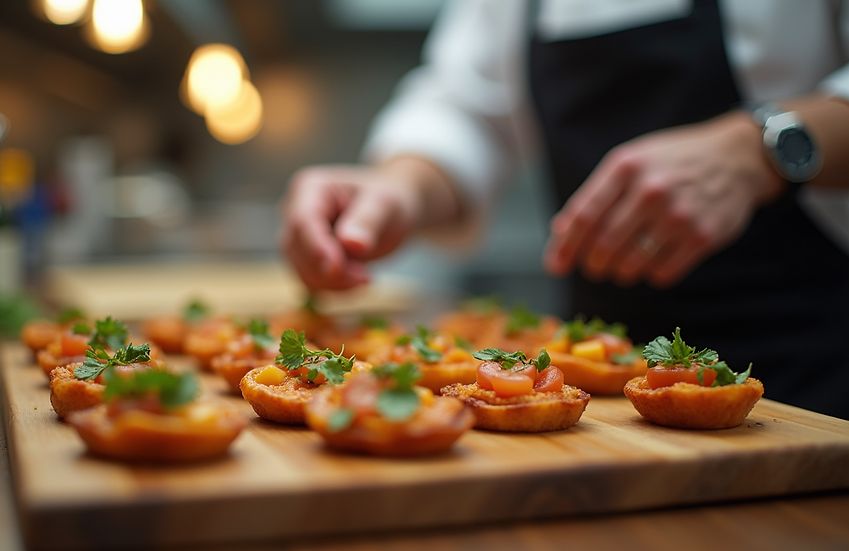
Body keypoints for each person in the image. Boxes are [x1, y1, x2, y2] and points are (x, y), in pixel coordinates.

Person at [279, 0, 849, 419]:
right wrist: (397, 188)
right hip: (601, 397)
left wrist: (759, 147)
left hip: (815, 367)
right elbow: (466, 107)